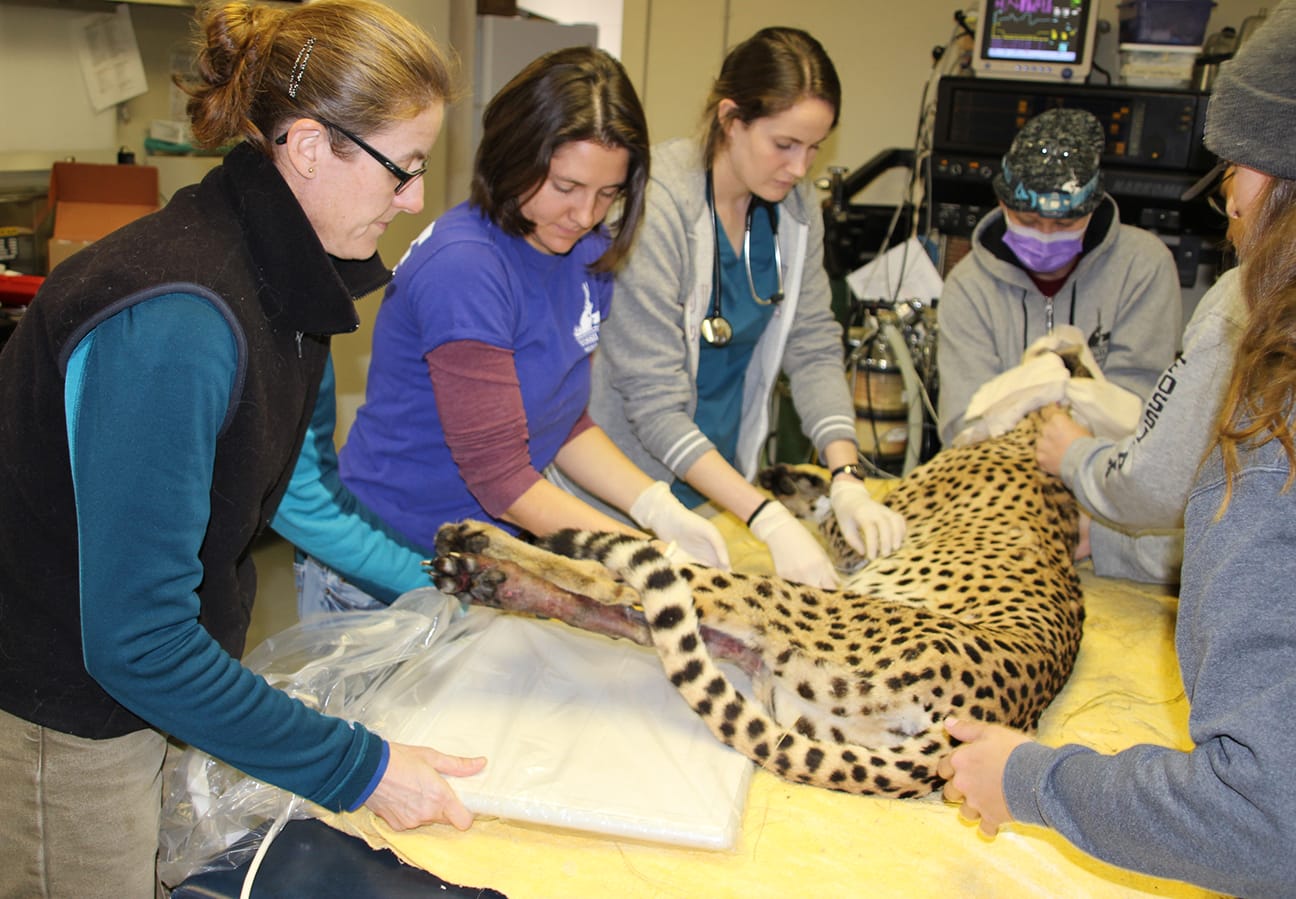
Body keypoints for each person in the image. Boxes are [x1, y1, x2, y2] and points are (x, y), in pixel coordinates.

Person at [0, 3, 486, 895]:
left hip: (143, 691)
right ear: (307, 147)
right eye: (404, 168)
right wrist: (362, 766)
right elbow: (137, 640)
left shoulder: (284, 280)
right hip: (58, 716)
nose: (416, 198)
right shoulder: (177, 316)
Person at [938, 6, 1296, 895]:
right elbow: (963, 427)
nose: (1230, 206)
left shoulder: (1252, 386)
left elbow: (1261, 811)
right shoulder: (971, 283)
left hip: (1106, 518)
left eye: (1235, 184)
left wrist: (1034, 781)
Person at [325, 45, 728, 618]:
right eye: (565, 186)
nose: (586, 214)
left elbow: (562, 423)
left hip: (485, 558)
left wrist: (656, 505)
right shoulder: (466, 267)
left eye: (608, 193)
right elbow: (504, 483)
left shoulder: (582, 252)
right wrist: (646, 555)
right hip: (389, 563)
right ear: (514, 156)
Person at [580, 27, 905, 590]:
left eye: (814, 147)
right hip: (625, 498)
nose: (801, 168)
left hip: (718, 491)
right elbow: (653, 403)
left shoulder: (794, 213)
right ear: (731, 119)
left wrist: (847, 476)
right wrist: (767, 517)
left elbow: (812, 345)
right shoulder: (658, 208)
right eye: (784, 144)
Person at [936, 107, 1183, 450]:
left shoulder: (1142, 267)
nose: (1046, 235)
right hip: (1004, 474)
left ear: (1092, 208)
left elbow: (1142, 407)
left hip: (1105, 479)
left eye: (1064, 225)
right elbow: (962, 421)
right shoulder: (969, 286)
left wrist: (1075, 452)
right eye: (1028, 220)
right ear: (1002, 203)